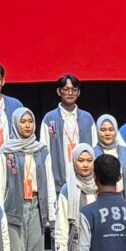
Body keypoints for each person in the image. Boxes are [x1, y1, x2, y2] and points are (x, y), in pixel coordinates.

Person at [0, 106, 52, 251]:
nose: (27, 125)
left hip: (37, 206)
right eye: (23, 121)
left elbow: (49, 181)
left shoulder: (41, 150)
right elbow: (1, 185)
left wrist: (51, 211)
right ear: (15, 124)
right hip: (15, 207)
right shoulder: (7, 151)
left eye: (30, 121)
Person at [42, 74, 95, 209]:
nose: (70, 93)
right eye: (66, 89)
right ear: (59, 91)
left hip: (85, 183)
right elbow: (44, 152)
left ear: (78, 92)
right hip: (59, 182)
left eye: (74, 89)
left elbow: (95, 149)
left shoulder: (87, 118)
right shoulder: (49, 119)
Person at [93, 112, 126, 193]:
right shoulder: (92, 154)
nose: (107, 133)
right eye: (103, 130)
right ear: (97, 131)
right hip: (101, 199)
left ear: (116, 130)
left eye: (111, 129)